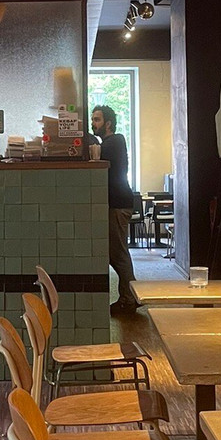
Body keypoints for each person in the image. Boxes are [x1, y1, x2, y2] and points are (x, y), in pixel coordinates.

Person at [91, 104, 139, 315]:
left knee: (118, 254)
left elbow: (98, 151)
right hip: (118, 203)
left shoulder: (115, 141)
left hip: (119, 204)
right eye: (93, 119)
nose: (93, 123)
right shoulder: (110, 143)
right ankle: (130, 296)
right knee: (117, 253)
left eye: (97, 119)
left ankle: (130, 298)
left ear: (108, 123)